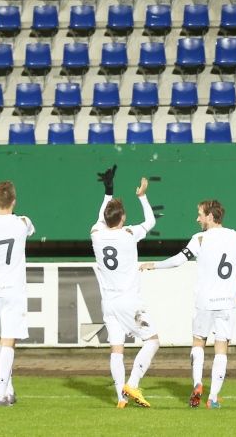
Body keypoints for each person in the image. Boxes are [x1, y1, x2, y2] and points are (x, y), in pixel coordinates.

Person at [140, 199, 236, 409]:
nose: (197, 219)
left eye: (200, 215)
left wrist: (153, 265)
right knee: (221, 348)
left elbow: (178, 260)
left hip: (205, 301)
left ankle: (197, 384)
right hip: (227, 301)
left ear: (210, 217)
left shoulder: (200, 238)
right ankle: (212, 397)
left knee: (198, 343)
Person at [90, 166, 159, 409]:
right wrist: (142, 196)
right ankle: (133, 383)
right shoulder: (130, 234)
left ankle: (121, 398)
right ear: (122, 219)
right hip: (129, 301)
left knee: (116, 349)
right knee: (152, 341)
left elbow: (100, 219)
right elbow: (150, 221)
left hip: (108, 302)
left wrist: (108, 192)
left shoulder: (96, 235)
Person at [0, 181, 35, 407]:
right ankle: (0, 394)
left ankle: (8, 389)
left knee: (3, 340)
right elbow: (28, 229)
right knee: (8, 341)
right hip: (13, 290)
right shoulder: (23, 222)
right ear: (14, 201)